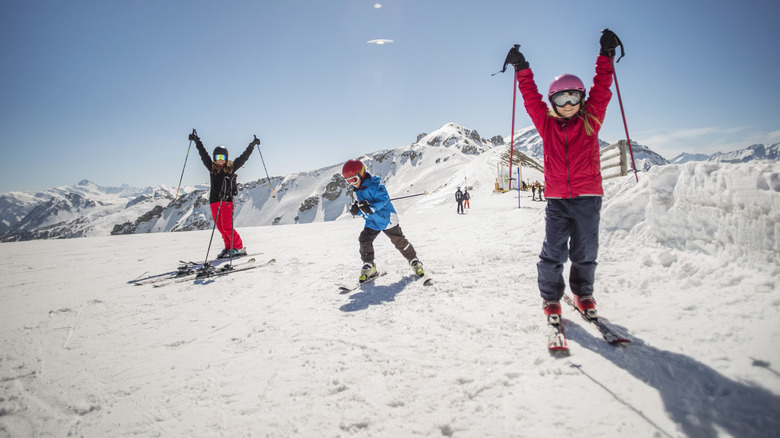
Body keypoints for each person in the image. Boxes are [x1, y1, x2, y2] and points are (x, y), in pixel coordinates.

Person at [503, 29, 621, 324]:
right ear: (553, 101)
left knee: (585, 252)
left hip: (588, 198)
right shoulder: (546, 125)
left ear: (581, 98)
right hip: (557, 200)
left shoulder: (591, 120)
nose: (568, 104)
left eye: (574, 97)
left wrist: (605, 57)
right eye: (561, 98)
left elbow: (603, 88)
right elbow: (531, 99)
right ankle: (551, 298)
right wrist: (522, 69)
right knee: (552, 252)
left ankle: (583, 293)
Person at [342, 159, 424, 282]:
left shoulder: (376, 186)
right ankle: (369, 265)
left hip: (386, 219)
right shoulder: (356, 191)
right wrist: (356, 210)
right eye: (348, 181)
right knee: (364, 239)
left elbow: (383, 199)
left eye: (354, 180)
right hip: (372, 221)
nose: (352, 184)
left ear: (362, 175)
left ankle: (414, 260)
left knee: (399, 241)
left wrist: (370, 207)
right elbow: (362, 208)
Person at [189, 132, 259, 258]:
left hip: (227, 199)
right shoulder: (211, 168)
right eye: (217, 158)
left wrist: (252, 145)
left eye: (222, 158)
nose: (219, 160)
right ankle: (228, 247)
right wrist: (196, 140)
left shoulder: (231, 167)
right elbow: (203, 154)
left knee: (227, 226)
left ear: (226, 158)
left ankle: (238, 247)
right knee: (221, 227)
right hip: (214, 200)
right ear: (214, 158)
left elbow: (244, 157)